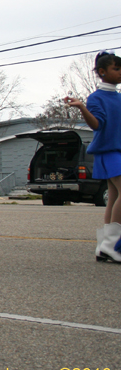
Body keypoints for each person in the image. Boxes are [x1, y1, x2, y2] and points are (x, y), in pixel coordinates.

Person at [65, 50, 121, 262]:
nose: (120, 72)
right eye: (116, 69)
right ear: (102, 72)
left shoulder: (118, 97)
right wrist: (82, 107)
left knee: (113, 198)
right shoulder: (96, 98)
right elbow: (97, 125)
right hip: (108, 152)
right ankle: (111, 245)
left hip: (118, 150)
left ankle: (104, 246)